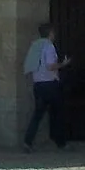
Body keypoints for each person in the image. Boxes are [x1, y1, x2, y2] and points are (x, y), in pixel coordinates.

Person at [21, 21, 63, 152]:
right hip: (50, 84)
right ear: (50, 33)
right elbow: (50, 66)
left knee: (38, 115)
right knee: (57, 113)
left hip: (38, 84)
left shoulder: (35, 46)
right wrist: (64, 64)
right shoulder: (49, 47)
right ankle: (60, 142)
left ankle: (28, 142)